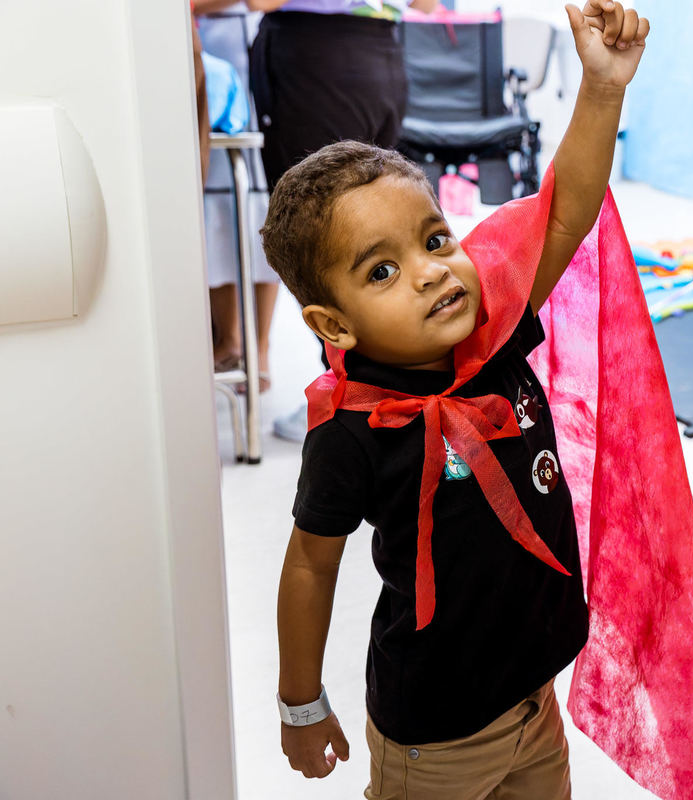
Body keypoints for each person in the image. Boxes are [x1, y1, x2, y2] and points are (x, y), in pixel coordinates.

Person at [259, 2, 648, 796]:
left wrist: (603, 88)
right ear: (334, 325)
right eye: (381, 271)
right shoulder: (352, 428)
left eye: (435, 239)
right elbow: (309, 565)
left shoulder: (492, 332)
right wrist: (301, 703)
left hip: (535, 695)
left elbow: (563, 213)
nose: (433, 269)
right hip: (433, 736)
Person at [195, 0, 437, 390]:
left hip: (315, 63)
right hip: (381, 55)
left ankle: (359, 395)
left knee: (323, 242)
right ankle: (386, 391)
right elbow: (426, 4)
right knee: (374, 240)